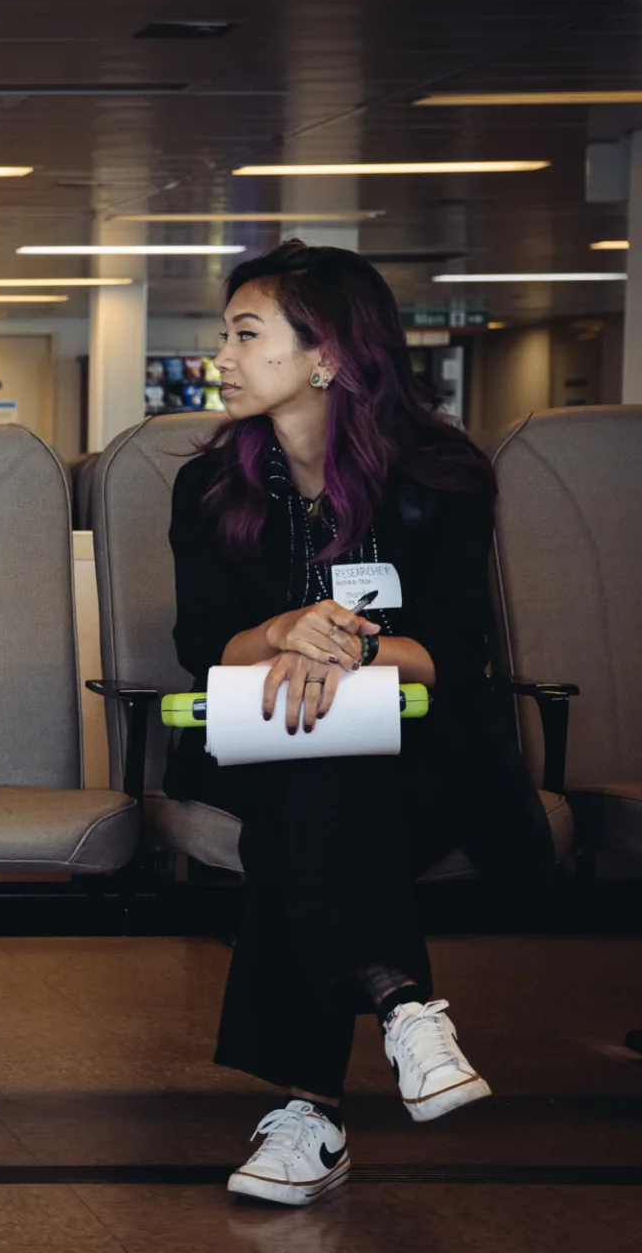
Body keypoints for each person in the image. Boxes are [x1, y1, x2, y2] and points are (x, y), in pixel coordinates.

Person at [168, 242, 551, 1208]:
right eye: (226, 335)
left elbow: (458, 650)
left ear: (327, 355)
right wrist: (282, 631)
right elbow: (202, 643)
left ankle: (310, 1115)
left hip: (424, 758)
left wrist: (350, 650)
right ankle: (405, 1007)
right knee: (313, 772)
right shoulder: (210, 491)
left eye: (246, 334)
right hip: (259, 748)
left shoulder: (437, 478)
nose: (222, 353)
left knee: (323, 788)